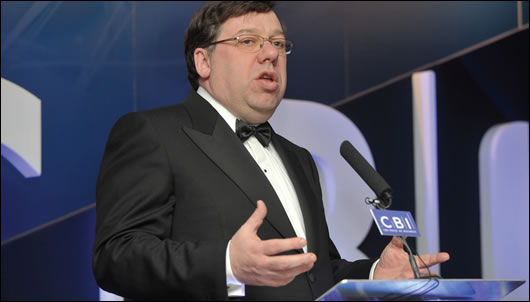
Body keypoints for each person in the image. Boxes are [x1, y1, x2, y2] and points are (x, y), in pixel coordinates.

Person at [92, 1, 450, 300]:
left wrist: (373, 273)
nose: (270, 54)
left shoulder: (299, 158)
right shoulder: (154, 133)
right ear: (204, 61)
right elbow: (116, 257)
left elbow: (315, 269)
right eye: (248, 41)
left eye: (279, 44)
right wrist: (227, 263)